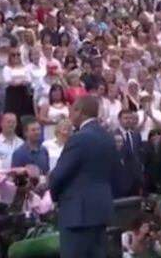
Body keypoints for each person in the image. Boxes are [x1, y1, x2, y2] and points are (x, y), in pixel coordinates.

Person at [49, 95, 118, 258]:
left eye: (72, 110)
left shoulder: (79, 138)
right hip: (101, 211)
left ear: (80, 112)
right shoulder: (108, 137)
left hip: (77, 214)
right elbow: (114, 172)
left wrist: (54, 196)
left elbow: (59, 175)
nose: (70, 115)